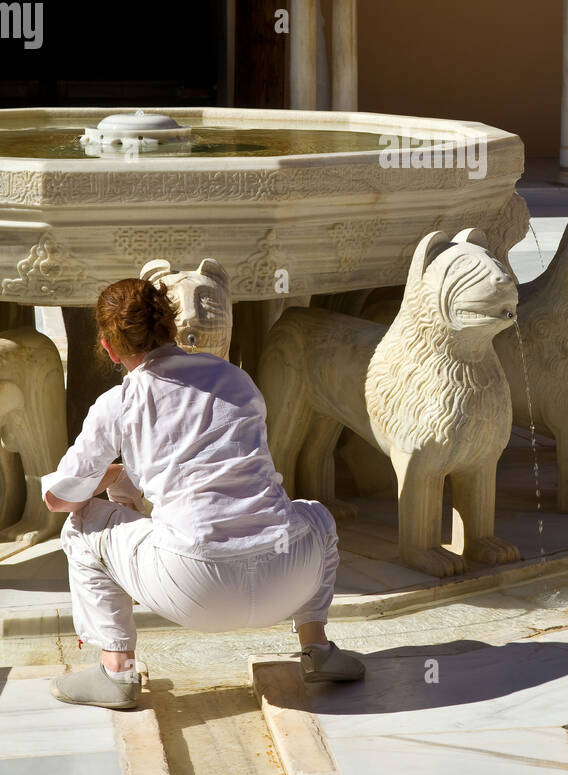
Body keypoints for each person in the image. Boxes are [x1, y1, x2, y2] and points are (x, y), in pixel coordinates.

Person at [42, 277, 364, 709]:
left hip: (196, 588)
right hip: (288, 572)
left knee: (81, 525)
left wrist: (108, 476)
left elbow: (61, 499)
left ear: (109, 348)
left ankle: (116, 671)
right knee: (318, 518)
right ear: (172, 329)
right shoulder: (235, 379)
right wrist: (127, 476)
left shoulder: (117, 403)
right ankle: (317, 649)